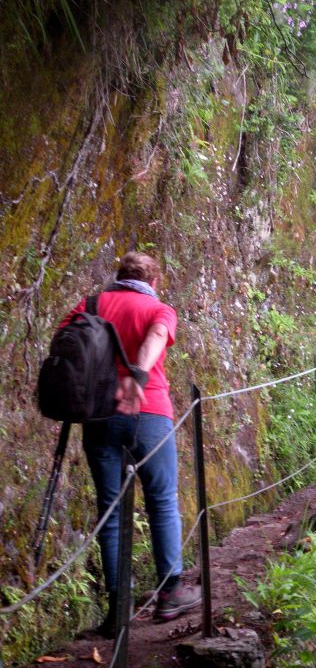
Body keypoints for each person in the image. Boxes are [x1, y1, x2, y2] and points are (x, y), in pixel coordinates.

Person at [58, 252, 200, 637]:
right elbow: (156, 335)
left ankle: (119, 607)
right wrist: (137, 373)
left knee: (111, 510)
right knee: (162, 500)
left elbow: (66, 345)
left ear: (119, 277)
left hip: (99, 414)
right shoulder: (159, 308)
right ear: (154, 281)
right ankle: (170, 593)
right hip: (149, 410)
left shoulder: (90, 305)